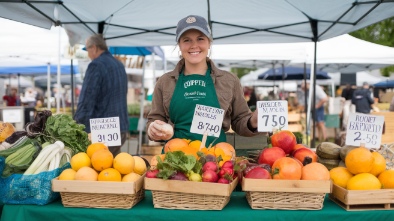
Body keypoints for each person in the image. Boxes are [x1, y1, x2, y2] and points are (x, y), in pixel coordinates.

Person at [146, 15, 259, 147]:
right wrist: (153, 129)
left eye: (200, 39)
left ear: (209, 42)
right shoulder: (165, 82)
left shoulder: (229, 81)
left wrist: (253, 122)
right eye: (186, 40)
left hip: (217, 160)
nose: (194, 46)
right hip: (175, 161)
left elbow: (240, 120)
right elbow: (154, 119)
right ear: (179, 45)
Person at [74, 34, 129, 156]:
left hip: (102, 131)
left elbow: (87, 99)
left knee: (98, 170)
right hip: (120, 127)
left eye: (88, 50)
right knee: (113, 168)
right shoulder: (119, 65)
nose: (88, 54)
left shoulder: (96, 65)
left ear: (94, 48)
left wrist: (76, 125)